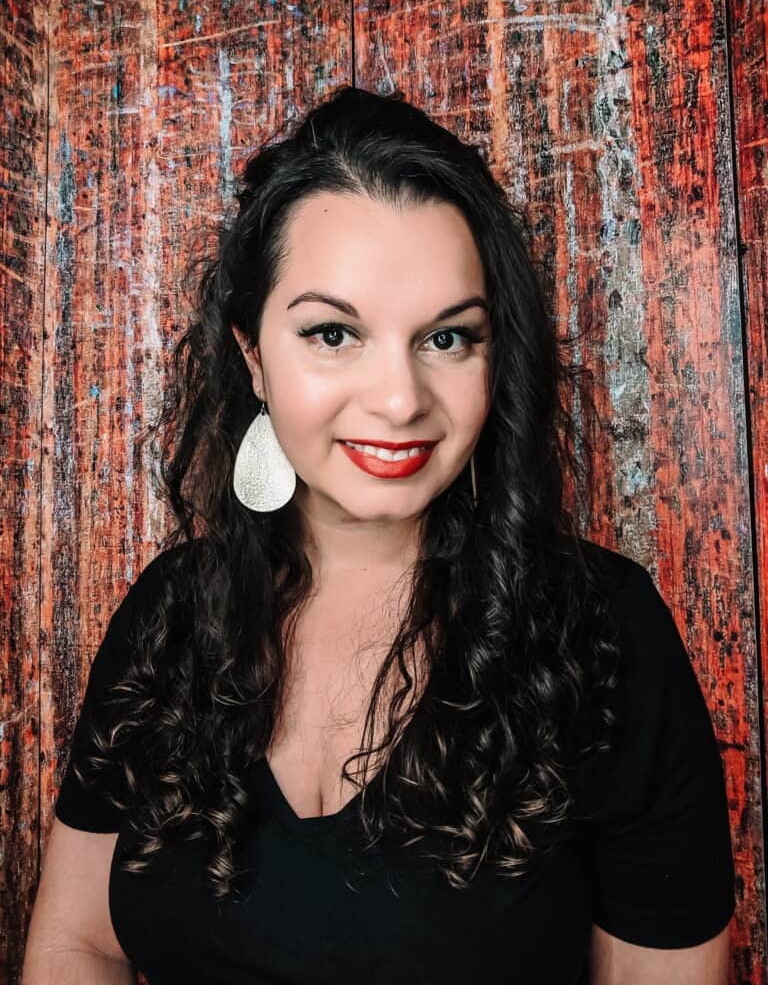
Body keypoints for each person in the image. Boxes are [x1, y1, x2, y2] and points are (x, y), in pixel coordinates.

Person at [22, 86, 735, 984]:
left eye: (446, 339)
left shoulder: (602, 632)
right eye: (333, 333)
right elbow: (74, 942)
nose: (400, 400)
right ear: (253, 356)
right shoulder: (171, 614)